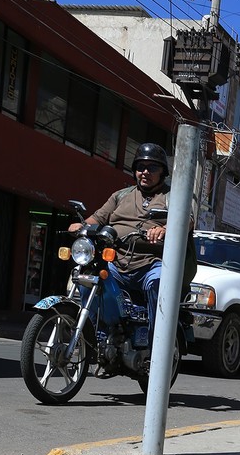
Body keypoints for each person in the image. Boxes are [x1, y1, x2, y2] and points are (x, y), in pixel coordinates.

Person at [68, 142, 176, 345]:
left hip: (151, 262)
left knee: (158, 283)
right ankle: (97, 335)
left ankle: (156, 344)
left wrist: (164, 230)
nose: (145, 172)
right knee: (87, 279)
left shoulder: (171, 197)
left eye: (152, 167)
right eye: (140, 167)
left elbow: (186, 221)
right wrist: (81, 226)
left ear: (163, 172)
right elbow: (97, 218)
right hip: (116, 261)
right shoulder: (121, 195)